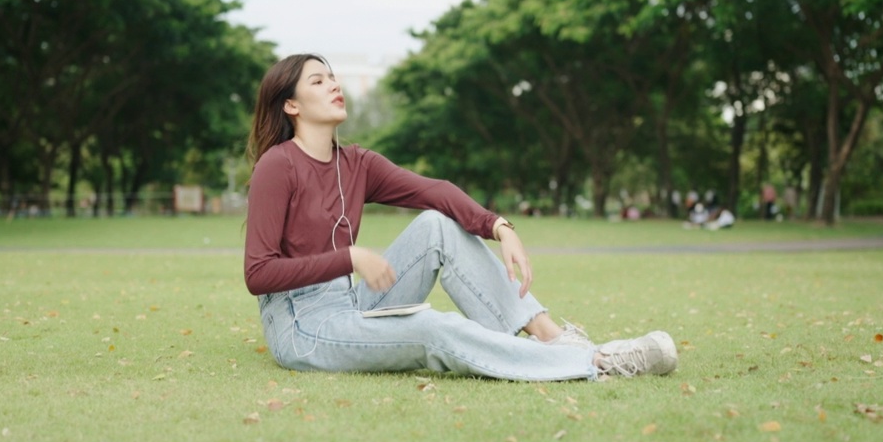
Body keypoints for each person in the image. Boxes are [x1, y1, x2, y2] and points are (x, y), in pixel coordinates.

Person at [243, 54, 677, 381]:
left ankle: (552, 337)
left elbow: (436, 192)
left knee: (436, 225)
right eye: (318, 81)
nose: (334, 85)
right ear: (291, 106)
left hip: (352, 304)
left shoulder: (355, 163)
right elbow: (258, 274)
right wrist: (350, 258)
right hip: (303, 327)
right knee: (431, 327)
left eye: (333, 77)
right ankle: (597, 362)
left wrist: (499, 226)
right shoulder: (277, 167)